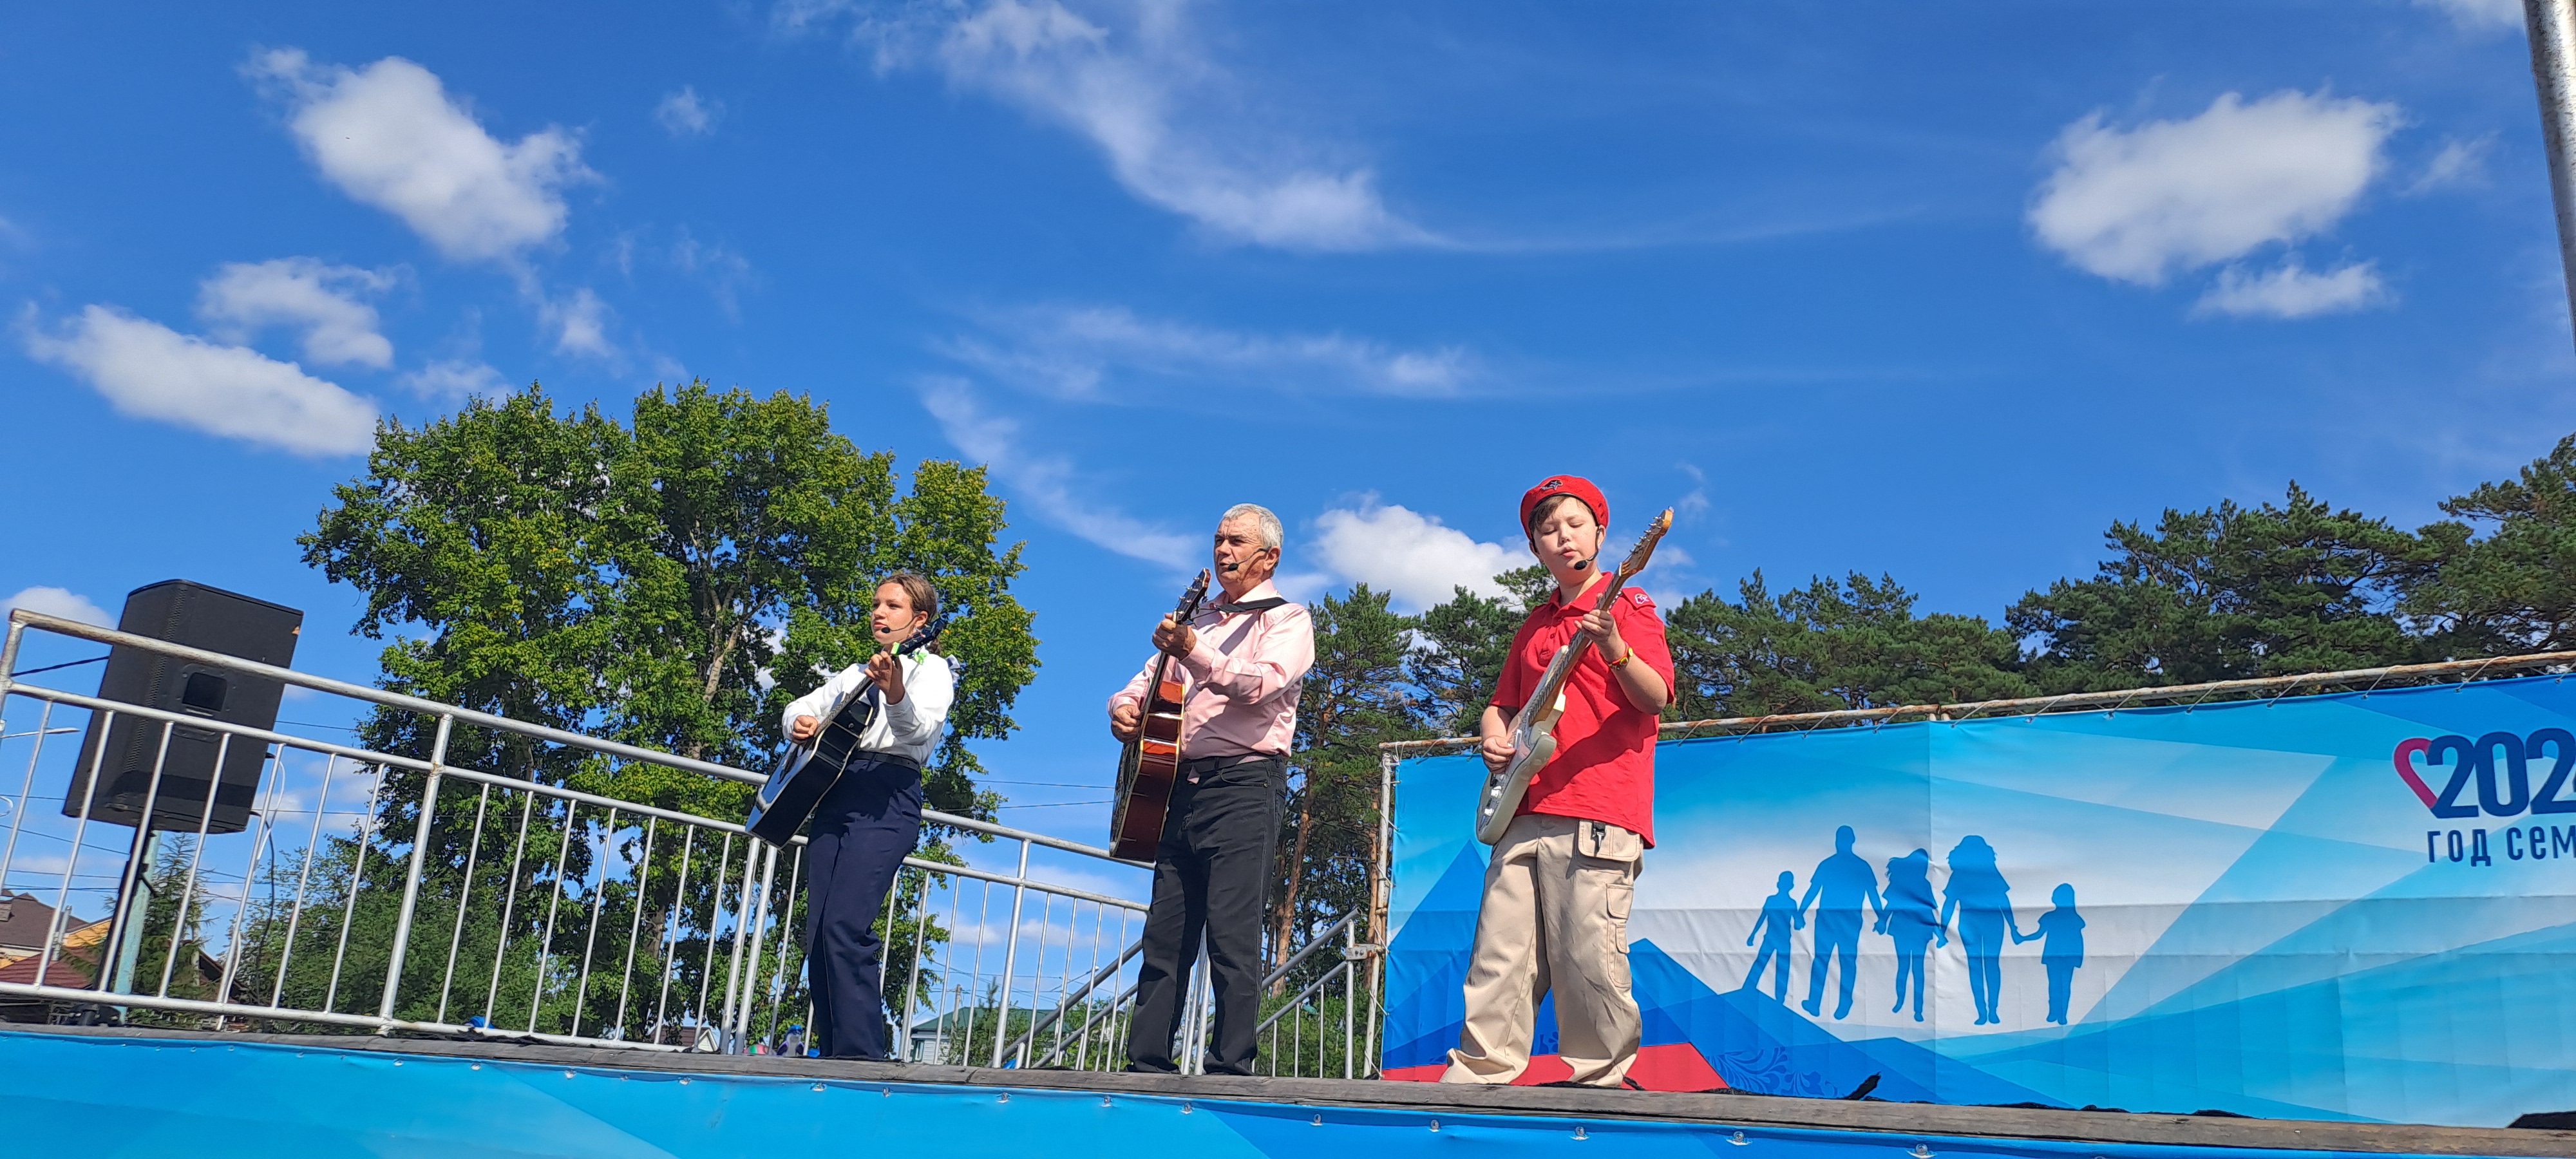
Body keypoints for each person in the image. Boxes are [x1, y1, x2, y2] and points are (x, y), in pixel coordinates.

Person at [1443, 475, 1674, 1089]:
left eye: (1575, 524)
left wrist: (1616, 647)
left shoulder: (1630, 603)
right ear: (1535, 548)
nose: (1563, 537)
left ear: (1601, 533)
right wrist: (1493, 737)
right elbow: (1502, 705)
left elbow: (1656, 697)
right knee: (1498, 959)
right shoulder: (1536, 624)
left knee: (1589, 960)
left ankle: (1600, 1087)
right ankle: (1477, 1082)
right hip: (1522, 810)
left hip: (1599, 809)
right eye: (1547, 530)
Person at [1108, 504, 1314, 1075]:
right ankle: (1146, 1065)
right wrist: (1123, 708)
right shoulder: (1198, 618)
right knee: (1165, 933)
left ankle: (1230, 1069)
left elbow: (1260, 685)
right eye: (1219, 539)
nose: (1223, 550)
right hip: (1177, 786)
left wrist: (1192, 650)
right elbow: (1140, 684)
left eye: (1236, 541)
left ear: (1269, 557)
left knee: (1232, 932)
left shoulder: (1288, 620)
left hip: (1245, 784)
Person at [780, 573, 954, 1060]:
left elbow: (917, 733)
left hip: (888, 793)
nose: (879, 612)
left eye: (892, 606)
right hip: (837, 791)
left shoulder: (932, 670)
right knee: (819, 932)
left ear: (919, 620)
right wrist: (799, 722)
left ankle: (861, 1057)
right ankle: (833, 1050)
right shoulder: (855, 673)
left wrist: (895, 692)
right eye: (877, 604)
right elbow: (798, 706)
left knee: (846, 925)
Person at [1797, 825, 1883, 1021]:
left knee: (1837, 961)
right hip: (1834, 921)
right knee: (1836, 961)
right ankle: (1819, 1003)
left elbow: (1873, 895)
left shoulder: (1835, 865)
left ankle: (1834, 1003)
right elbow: (1873, 896)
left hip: (1840, 921)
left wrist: (1882, 918)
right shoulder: (1858, 866)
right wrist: (1882, 918)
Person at [1938, 834, 2020, 1026]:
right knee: (1992, 965)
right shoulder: (1989, 872)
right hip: (1992, 923)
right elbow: (2004, 901)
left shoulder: (1959, 874)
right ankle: (1991, 1011)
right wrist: (2013, 927)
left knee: (1976, 966)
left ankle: (1983, 1012)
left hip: (1971, 923)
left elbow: (1949, 904)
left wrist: (1943, 929)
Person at [1877, 849, 1938, 1022]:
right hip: (1907, 930)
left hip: (1915, 930)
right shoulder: (1911, 883)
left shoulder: (1919, 883)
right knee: (1909, 968)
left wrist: (1939, 932)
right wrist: (1882, 922)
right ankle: (1903, 1003)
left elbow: (1929, 910)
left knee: (1913, 968)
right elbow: (1891, 906)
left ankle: (1916, 1009)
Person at [2015, 883, 2085, 1025]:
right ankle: (2058, 1014)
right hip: (2060, 957)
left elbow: (2039, 935)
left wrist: (2022, 938)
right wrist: (2023, 939)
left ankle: (2059, 1014)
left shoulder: (2054, 917)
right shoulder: (2072, 918)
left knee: (2057, 985)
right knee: (2062, 985)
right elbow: (2078, 940)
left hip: (2058, 957)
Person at [1745, 871, 1802, 1002]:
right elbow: (1763, 918)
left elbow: (1796, 924)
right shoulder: (1785, 902)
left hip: (1778, 939)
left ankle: (1778, 997)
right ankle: (1753, 989)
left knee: (1778, 967)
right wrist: (1753, 935)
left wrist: (1753, 935)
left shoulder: (1786, 902)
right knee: (1773, 966)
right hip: (1776, 939)